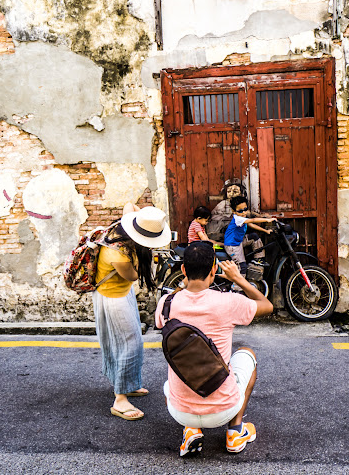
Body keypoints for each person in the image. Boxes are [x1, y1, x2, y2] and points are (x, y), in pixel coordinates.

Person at [155, 241, 274, 457]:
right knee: (248, 354)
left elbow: (178, 302)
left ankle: (191, 429)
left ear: (183, 270)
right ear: (214, 270)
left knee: (169, 381)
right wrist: (238, 278)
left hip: (180, 412)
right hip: (223, 408)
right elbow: (267, 306)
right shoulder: (228, 302)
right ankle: (235, 431)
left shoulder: (166, 303)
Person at [94, 203, 172, 421]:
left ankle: (128, 385)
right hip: (112, 298)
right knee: (129, 344)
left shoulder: (125, 225)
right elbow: (132, 276)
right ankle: (120, 400)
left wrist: (143, 215)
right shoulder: (119, 254)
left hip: (121, 293)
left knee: (132, 340)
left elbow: (129, 205)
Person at [222, 195, 275, 268]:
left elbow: (251, 224)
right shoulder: (238, 219)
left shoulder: (242, 217)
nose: (244, 212)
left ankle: (259, 259)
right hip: (233, 246)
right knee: (242, 266)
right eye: (240, 211)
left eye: (245, 209)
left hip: (238, 241)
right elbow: (253, 220)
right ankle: (240, 278)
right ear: (234, 211)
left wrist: (265, 231)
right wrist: (267, 220)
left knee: (254, 237)